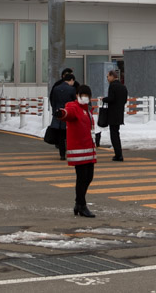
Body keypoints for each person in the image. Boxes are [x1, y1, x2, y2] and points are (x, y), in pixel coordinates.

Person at [56, 83, 98, 217]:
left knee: (89, 177)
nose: (85, 97)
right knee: (82, 178)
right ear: (77, 95)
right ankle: (81, 204)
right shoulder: (73, 106)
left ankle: (79, 203)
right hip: (79, 150)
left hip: (88, 148)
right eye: (82, 95)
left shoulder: (87, 109)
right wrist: (61, 113)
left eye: (87, 95)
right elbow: (67, 114)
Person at [49, 69, 78, 159]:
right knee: (70, 135)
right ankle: (70, 152)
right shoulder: (72, 89)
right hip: (69, 114)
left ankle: (62, 155)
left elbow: (53, 102)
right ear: (71, 80)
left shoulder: (56, 88)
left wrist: (55, 113)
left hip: (59, 115)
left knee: (61, 136)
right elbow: (75, 102)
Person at [102, 69, 127, 162]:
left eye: (108, 76)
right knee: (116, 133)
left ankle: (118, 155)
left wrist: (104, 99)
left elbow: (111, 98)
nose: (107, 78)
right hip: (120, 113)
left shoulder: (112, 86)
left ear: (112, 76)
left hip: (112, 113)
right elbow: (124, 100)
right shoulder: (123, 87)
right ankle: (118, 153)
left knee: (114, 135)